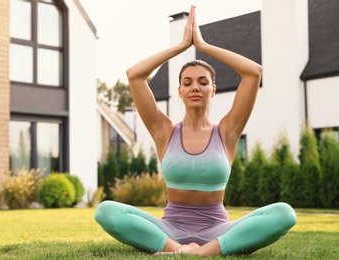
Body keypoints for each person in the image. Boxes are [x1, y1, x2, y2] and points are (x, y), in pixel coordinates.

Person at [94, 5, 296, 256]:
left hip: (218, 230)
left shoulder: (227, 132)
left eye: (203, 82)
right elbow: (135, 75)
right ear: (179, 91)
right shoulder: (164, 131)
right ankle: (178, 249)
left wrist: (203, 45)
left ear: (213, 89)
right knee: (106, 211)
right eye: (187, 83)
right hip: (168, 229)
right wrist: (181, 46)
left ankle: (202, 252)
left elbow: (253, 73)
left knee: (284, 213)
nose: (195, 88)